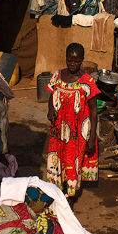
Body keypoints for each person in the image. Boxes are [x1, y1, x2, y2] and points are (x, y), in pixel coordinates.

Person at [46, 42, 100, 205]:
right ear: (66, 59)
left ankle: (70, 196)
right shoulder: (57, 75)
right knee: (57, 158)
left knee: (72, 161)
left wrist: (91, 138)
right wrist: (50, 110)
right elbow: (51, 94)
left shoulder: (87, 81)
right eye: (70, 60)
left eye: (76, 61)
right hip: (58, 129)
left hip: (77, 132)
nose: (72, 64)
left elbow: (94, 111)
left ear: (82, 60)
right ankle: (57, 191)